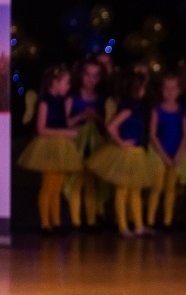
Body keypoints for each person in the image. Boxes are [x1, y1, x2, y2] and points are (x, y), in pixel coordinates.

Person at [87, 71, 154, 237]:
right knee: (123, 190)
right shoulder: (128, 109)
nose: (144, 91)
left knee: (135, 191)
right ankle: (123, 227)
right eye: (142, 88)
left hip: (137, 153)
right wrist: (121, 143)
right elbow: (111, 127)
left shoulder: (137, 108)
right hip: (127, 153)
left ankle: (138, 226)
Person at [17, 65, 82, 233]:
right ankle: (45, 223)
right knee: (48, 186)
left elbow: (64, 121)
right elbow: (41, 129)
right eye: (66, 82)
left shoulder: (61, 101)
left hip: (61, 147)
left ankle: (56, 222)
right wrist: (65, 132)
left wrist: (74, 126)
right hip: (48, 146)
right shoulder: (45, 101)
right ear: (54, 82)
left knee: (57, 187)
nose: (68, 86)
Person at [65, 58, 107, 230]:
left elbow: (108, 123)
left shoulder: (101, 99)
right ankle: (75, 222)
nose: (91, 79)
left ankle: (91, 221)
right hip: (76, 143)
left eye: (96, 76)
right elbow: (65, 121)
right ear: (81, 75)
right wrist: (81, 116)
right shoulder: (72, 98)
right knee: (76, 182)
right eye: (87, 75)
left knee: (91, 183)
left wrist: (97, 117)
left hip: (95, 145)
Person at [146, 73, 186, 230]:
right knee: (157, 188)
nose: (170, 92)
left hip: (176, 153)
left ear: (179, 90)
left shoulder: (181, 111)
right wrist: (164, 155)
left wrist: (178, 154)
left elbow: (185, 135)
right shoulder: (156, 110)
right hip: (160, 153)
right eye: (166, 88)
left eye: (174, 88)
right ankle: (150, 220)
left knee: (171, 189)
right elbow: (152, 134)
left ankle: (167, 221)